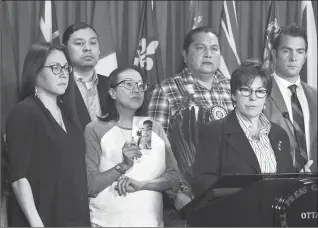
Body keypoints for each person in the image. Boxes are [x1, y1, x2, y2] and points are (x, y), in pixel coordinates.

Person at [5, 42, 90, 226]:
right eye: (55, 67)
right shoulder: (24, 113)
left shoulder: (70, 117)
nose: (63, 74)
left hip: (75, 217)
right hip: (42, 218)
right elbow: (19, 178)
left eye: (66, 68)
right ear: (34, 71)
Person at [84, 66, 180, 227]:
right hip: (105, 223)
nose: (137, 89)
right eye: (128, 84)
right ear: (112, 92)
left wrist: (143, 185)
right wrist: (123, 166)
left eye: (141, 85)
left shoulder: (150, 128)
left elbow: (174, 178)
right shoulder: (96, 129)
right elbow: (90, 186)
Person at [191, 60, 296, 198]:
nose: (253, 97)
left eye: (260, 91)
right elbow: (204, 185)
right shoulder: (213, 132)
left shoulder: (279, 134)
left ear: (266, 98)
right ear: (234, 94)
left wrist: (298, 181)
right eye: (246, 90)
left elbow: (286, 181)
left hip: (274, 217)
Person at [148, 26, 233, 135]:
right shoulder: (165, 90)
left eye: (214, 49)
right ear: (185, 55)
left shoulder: (233, 87)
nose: (208, 54)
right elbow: (156, 145)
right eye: (200, 48)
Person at [264, 24, 317, 172]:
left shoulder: (315, 96)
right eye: (287, 51)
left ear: (305, 56)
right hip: (275, 184)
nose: (293, 58)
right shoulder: (261, 93)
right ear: (274, 54)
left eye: (300, 52)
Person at [62, 22, 109, 130]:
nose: (87, 48)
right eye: (79, 43)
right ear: (65, 50)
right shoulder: (59, 86)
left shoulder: (112, 85)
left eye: (93, 43)